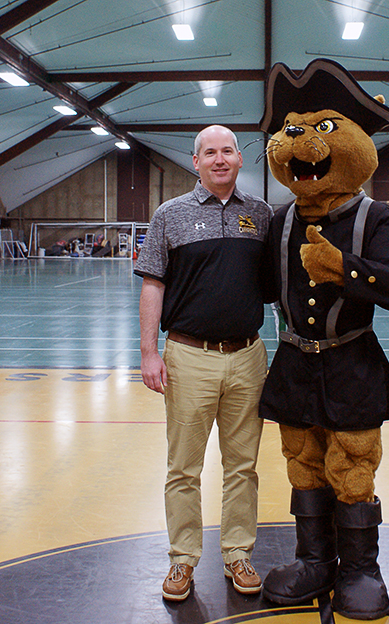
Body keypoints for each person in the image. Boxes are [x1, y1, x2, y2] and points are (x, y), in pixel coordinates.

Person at [135, 125, 273, 602]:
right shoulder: (168, 215)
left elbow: (277, 286)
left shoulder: (260, 215)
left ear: (240, 159)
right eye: (209, 152)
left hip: (248, 356)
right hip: (189, 357)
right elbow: (152, 283)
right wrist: (149, 351)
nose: (219, 159)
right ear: (195, 162)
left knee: (243, 466)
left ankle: (238, 552)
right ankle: (182, 560)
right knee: (184, 469)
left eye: (227, 151)